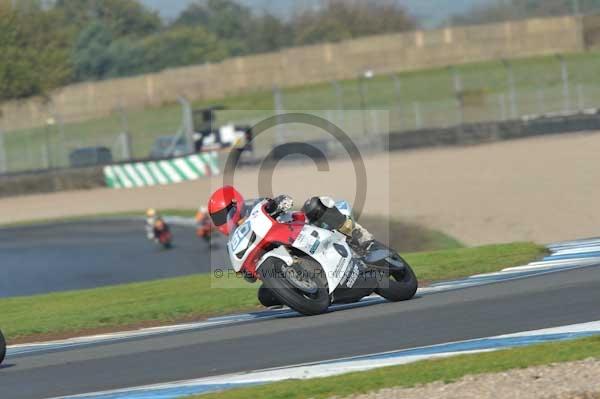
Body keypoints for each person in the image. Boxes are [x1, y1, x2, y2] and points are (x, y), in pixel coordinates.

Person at [207, 186, 374, 249]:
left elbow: (274, 203)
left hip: (297, 228)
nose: (223, 219)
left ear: (235, 203)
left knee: (314, 205)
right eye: (218, 217)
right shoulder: (235, 240)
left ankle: (357, 233)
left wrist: (277, 204)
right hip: (286, 255)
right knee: (266, 296)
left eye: (224, 213)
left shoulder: (253, 206)